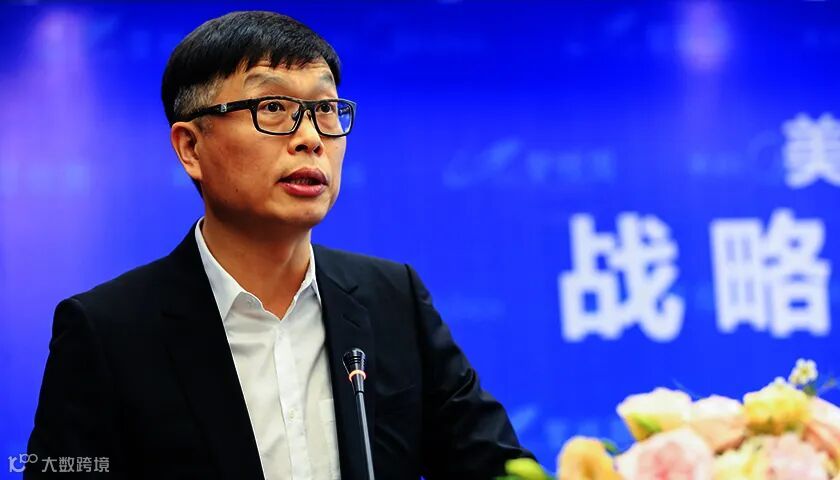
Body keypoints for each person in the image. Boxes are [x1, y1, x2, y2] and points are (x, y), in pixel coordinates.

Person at [27, 10, 532, 479]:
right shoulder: (107, 331)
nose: (310, 137)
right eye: (273, 107)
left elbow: (497, 468)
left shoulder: (393, 299)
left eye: (326, 109)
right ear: (191, 147)